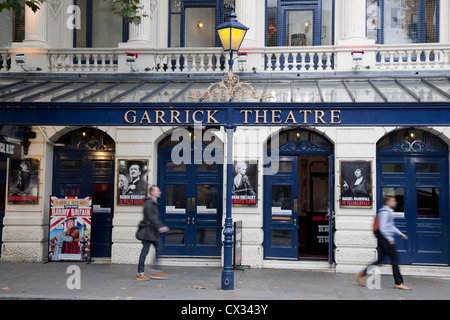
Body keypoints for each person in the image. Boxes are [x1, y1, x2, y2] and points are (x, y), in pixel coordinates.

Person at [356, 195, 411, 290]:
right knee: (395, 260)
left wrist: (399, 233)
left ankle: (362, 274)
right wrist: (390, 239)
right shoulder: (385, 212)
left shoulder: (386, 211)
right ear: (388, 202)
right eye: (393, 201)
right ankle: (399, 283)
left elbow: (390, 226)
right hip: (386, 240)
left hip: (382, 239)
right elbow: (383, 228)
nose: (395, 203)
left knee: (380, 260)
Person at [137, 185, 170, 281]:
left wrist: (159, 227)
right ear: (152, 192)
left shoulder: (153, 203)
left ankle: (155, 271)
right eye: (157, 190)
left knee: (159, 248)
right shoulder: (149, 204)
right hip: (147, 233)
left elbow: (154, 218)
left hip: (152, 232)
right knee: (145, 251)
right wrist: (161, 227)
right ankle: (140, 273)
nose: (159, 192)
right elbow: (152, 218)